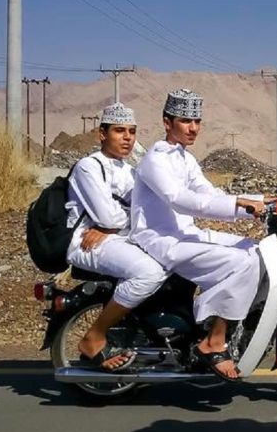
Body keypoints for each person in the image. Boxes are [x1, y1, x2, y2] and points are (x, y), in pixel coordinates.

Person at [129, 88, 264, 381]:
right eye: (185, 121)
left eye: (197, 121)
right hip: (161, 240)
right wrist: (238, 204)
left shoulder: (185, 159)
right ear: (167, 122)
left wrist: (260, 204)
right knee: (242, 264)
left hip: (184, 233)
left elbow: (208, 194)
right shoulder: (156, 159)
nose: (193, 128)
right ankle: (213, 341)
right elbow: (180, 199)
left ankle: (230, 323)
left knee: (256, 251)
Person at [66, 102, 169, 372]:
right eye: (119, 130)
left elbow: (137, 214)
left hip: (111, 237)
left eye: (132, 131)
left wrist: (114, 225)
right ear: (102, 134)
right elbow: (108, 217)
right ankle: (94, 336)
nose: (127, 138)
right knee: (149, 273)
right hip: (86, 241)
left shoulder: (129, 170)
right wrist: (112, 224)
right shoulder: (89, 167)